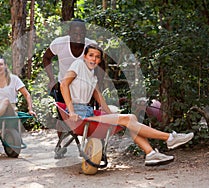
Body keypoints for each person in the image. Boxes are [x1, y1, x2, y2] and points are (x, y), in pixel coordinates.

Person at [60, 44, 194, 166]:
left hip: (87, 112)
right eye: (91, 55)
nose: (94, 59)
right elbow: (64, 84)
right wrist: (71, 111)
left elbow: (97, 95)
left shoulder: (92, 74)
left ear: (100, 60)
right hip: (78, 113)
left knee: (131, 121)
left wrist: (110, 114)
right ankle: (169, 138)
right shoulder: (78, 64)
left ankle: (151, 154)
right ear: (84, 56)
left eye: (97, 57)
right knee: (129, 118)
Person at [43, 19, 103, 141]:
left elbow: (101, 65)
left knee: (89, 115)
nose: (78, 37)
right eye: (75, 34)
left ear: (85, 33)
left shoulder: (91, 46)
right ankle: (60, 143)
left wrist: (98, 83)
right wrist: (51, 79)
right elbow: (46, 58)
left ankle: (91, 144)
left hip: (84, 87)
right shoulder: (59, 44)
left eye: (81, 34)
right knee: (63, 118)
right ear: (69, 32)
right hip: (64, 85)